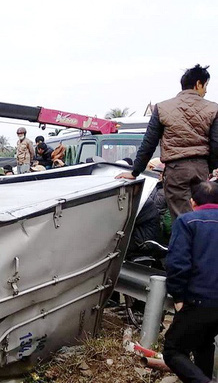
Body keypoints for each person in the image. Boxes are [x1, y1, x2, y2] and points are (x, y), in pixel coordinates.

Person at [116, 64, 218, 220]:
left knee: (181, 220)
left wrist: (135, 171)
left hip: (175, 171)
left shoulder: (162, 108)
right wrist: (209, 168)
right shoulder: (213, 108)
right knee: (201, 217)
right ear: (198, 84)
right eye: (205, 86)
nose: (205, 91)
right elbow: (215, 144)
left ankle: (183, 243)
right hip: (200, 168)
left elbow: (149, 143)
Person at [163, 179, 218, 383]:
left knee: (173, 350)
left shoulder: (187, 222)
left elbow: (177, 264)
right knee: (203, 342)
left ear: (193, 202)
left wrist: (178, 295)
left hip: (199, 300)